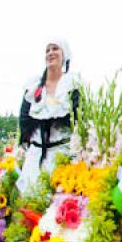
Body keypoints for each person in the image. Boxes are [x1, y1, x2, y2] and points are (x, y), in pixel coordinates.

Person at [17, 38, 80, 195]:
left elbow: (78, 118)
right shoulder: (33, 86)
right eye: (48, 50)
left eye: (55, 49)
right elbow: (24, 121)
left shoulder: (73, 84)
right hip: (36, 158)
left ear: (63, 55)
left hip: (63, 157)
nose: (51, 53)